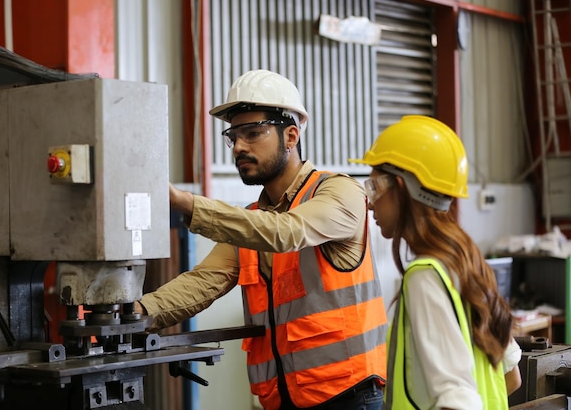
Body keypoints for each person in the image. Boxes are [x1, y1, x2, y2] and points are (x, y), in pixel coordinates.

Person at [136, 69, 388, 410]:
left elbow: (288, 232)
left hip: (348, 396)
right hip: (282, 400)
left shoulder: (338, 191)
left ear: (291, 136)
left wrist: (186, 202)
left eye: (253, 133)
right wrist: (133, 314)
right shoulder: (252, 218)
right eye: (234, 136)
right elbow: (203, 282)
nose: (239, 146)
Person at [349, 115, 521, 410]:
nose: (369, 201)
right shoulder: (466, 261)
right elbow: (511, 377)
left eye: (374, 186)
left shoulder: (425, 277)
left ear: (401, 187)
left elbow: (459, 401)